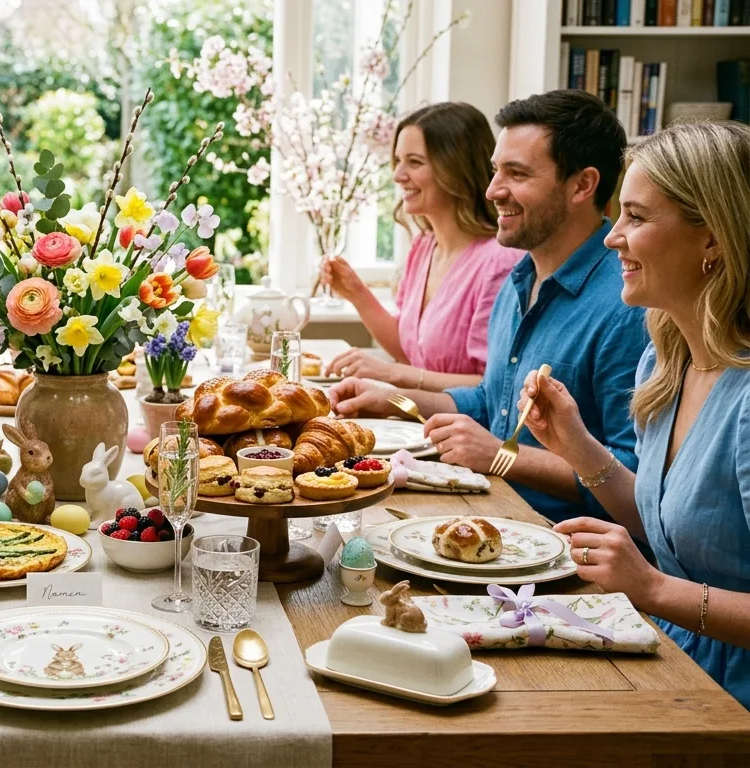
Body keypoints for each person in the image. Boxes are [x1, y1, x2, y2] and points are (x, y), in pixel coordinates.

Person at [331, 90, 649, 524]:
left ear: (583, 185)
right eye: (496, 171)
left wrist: (501, 458)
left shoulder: (628, 305)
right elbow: (489, 401)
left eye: (516, 174)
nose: (493, 190)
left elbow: (637, 480)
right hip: (490, 514)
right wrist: (396, 400)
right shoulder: (520, 276)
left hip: (560, 543)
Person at [519, 121, 750, 708]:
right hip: (668, 659)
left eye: (637, 218)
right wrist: (577, 446)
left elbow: (666, 574)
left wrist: (651, 587)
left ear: (714, 239)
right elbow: (672, 528)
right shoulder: (664, 362)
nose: (611, 237)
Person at [321, 102, 524, 390]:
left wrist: (390, 374)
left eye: (414, 162)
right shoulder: (425, 246)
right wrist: (356, 292)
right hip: (417, 423)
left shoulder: (500, 262)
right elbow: (409, 350)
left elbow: (490, 388)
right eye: (399, 161)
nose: (397, 175)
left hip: (462, 432)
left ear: (456, 168)